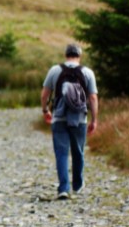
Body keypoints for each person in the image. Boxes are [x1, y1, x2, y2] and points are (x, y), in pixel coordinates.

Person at [40, 43, 98, 200]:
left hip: (59, 118)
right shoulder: (87, 72)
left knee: (61, 153)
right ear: (79, 56)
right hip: (79, 119)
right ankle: (77, 184)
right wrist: (94, 120)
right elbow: (93, 98)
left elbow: (45, 94)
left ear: (66, 55)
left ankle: (63, 188)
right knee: (78, 152)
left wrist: (45, 110)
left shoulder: (55, 70)